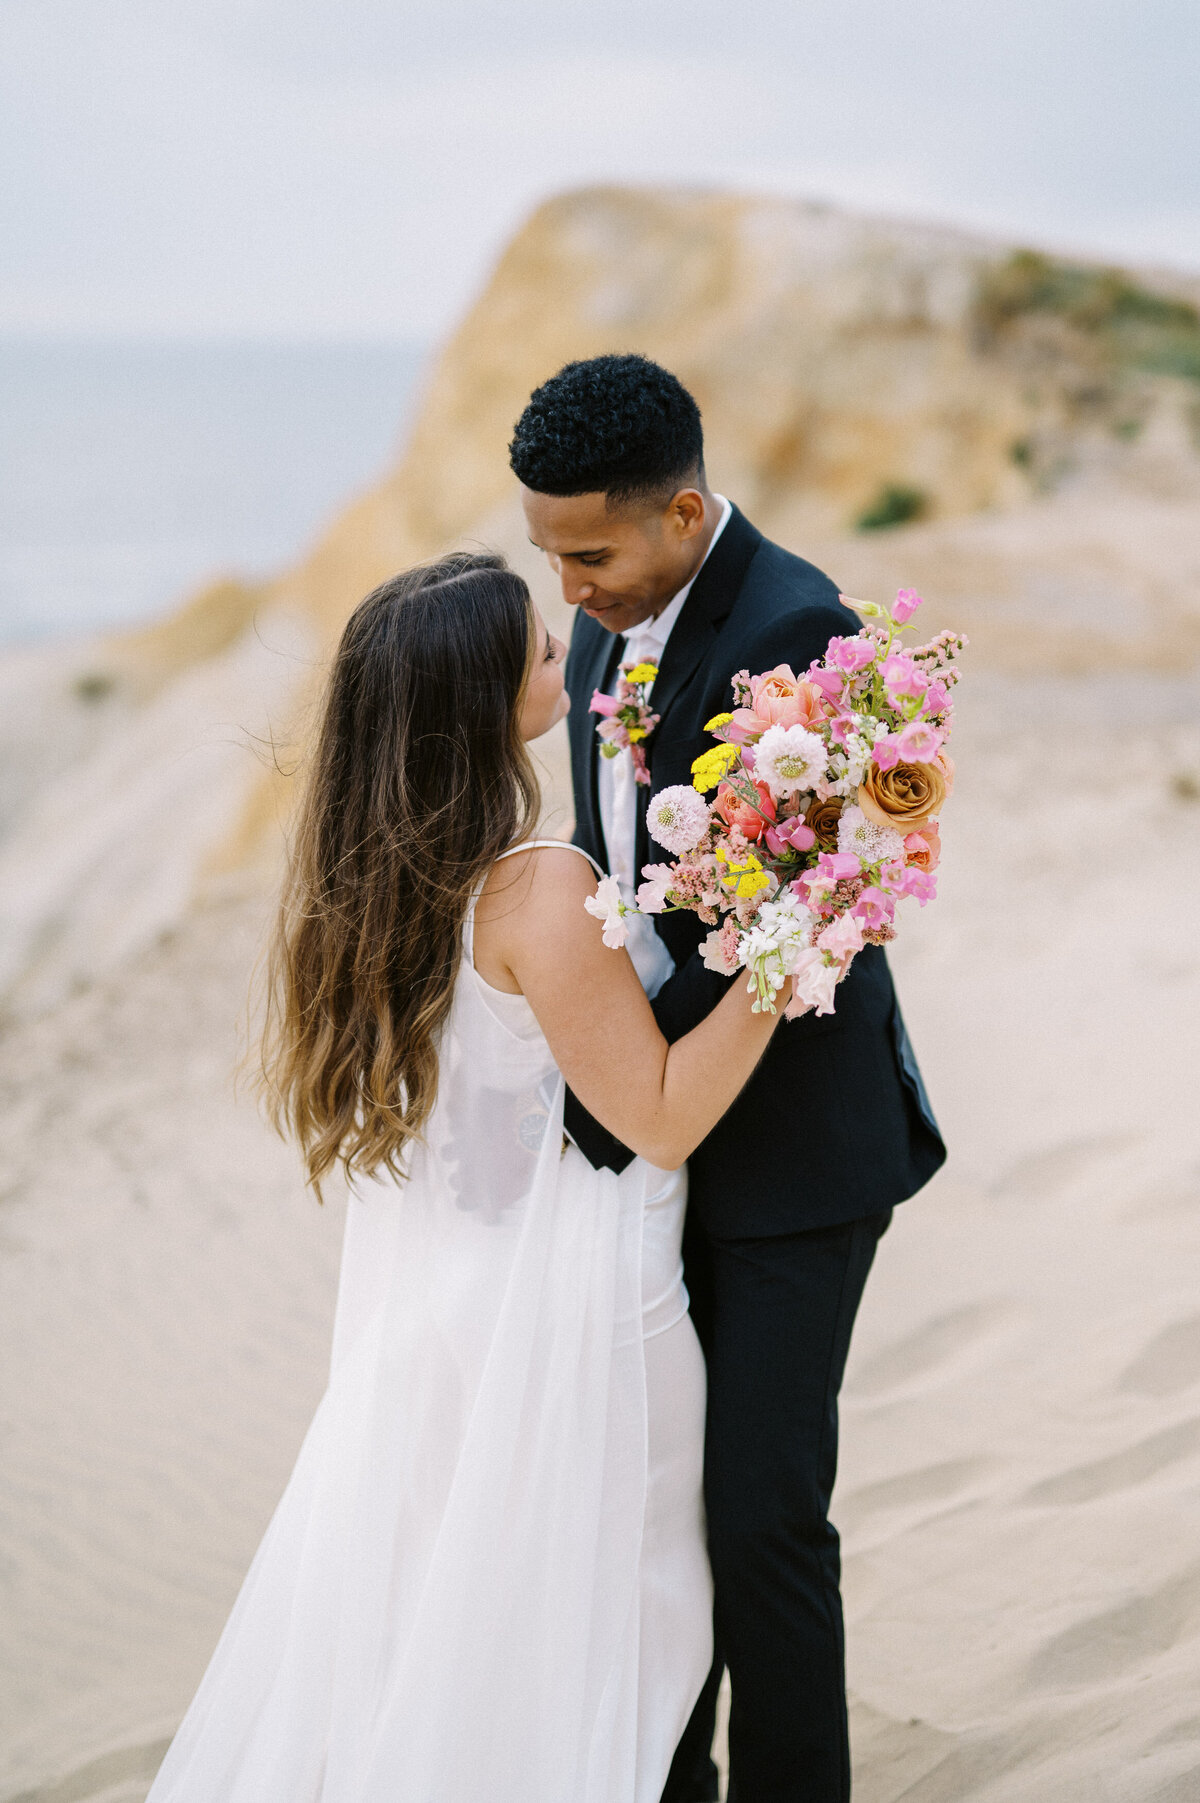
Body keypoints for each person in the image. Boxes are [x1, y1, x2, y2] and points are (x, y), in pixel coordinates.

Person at [145, 553, 793, 1803]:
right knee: (627, 1640)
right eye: (543, 655)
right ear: (480, 705)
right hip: (581, 1316)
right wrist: (794, 943)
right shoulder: (536, 888)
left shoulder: (372, 888)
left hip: (442, 1319)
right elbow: (659, 1118)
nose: (568, 661)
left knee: (466, 1638)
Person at [510, 354, 947, 1803]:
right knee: (652, 1515)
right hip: (650, 1143)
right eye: (547, 553)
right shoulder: (597, 633)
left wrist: (631, 1075)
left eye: (590, 550)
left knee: (759, 1515)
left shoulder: (799, 631)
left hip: (791, 1157)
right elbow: (624, 880)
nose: (569, 586)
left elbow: (786, 922)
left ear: (685, 510)